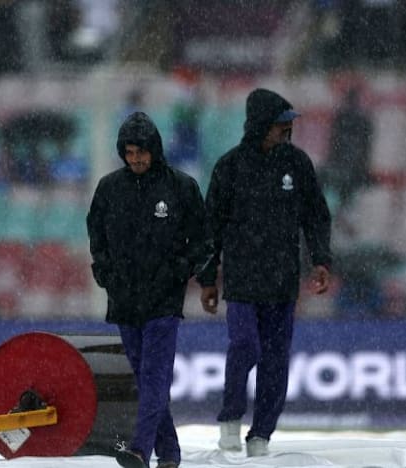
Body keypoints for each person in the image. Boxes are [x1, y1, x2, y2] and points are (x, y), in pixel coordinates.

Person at [197, 88, 332, 457]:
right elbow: (211, 228)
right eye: (280, 125)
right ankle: (230, 419)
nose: (287, 131)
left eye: (289, 125)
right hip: (241, 282)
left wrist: (321, 260)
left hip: (283, 282)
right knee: (245, 346)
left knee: (276, 360)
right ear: (260, 126)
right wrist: (208, 278)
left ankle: (261, 435)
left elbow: (316, 216)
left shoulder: (297, 165)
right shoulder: (230, 166)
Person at [86, 111, 212, 468]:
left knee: (155, 376)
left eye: (141, 152)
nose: (136, 159)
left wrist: (180, 271)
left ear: (155, 150)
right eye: (129, 152)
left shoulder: (180, 187)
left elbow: (202, 240)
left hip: (163, 300)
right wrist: (105, 271)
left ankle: (140, 448)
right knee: (146, 379)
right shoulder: (109, 188)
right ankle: (169, 453)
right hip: (124, 298)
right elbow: (96, 233)